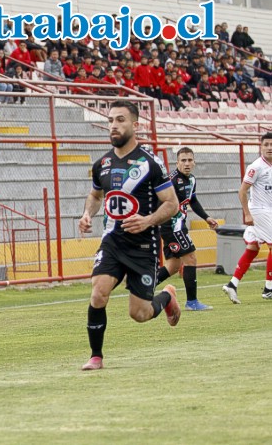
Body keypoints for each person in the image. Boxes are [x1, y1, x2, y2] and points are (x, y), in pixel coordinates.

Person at [78, 100, 180, 371]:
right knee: (98, 293)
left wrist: (147, 220)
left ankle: (167, 297)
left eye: (120, 120)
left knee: (139, 313)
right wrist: (87, 213)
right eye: (111, 120)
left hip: (143, 246)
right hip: (112, 241)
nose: (114, 125)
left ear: (135, 125)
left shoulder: (151, 163)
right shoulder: (102, 164)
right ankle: (96, 356)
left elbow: (172, 203)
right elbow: (95, 194)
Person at [155, 147, 218, 311]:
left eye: (190, 160)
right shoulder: (171, 181)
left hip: (178, 226)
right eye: (183, 160)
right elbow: (158, 202)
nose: (187, 163)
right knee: (190, 258)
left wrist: (206, 217)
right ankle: (192, 302)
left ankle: (142, 286)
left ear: (194, 162)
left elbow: (193, 201)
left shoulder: (192, 180)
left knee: (173, 265)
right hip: (171, 227)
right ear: (177, 163)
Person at [222, 132, 272, 303]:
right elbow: (242, 191)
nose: (269, 148)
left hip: (268, 211)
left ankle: (232, 284)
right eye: (266, 144)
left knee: (253, 248)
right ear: (261, 147)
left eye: (271, 144)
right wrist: (247, 214)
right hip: (259, 211)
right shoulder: (256, 166)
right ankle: (269, 288)